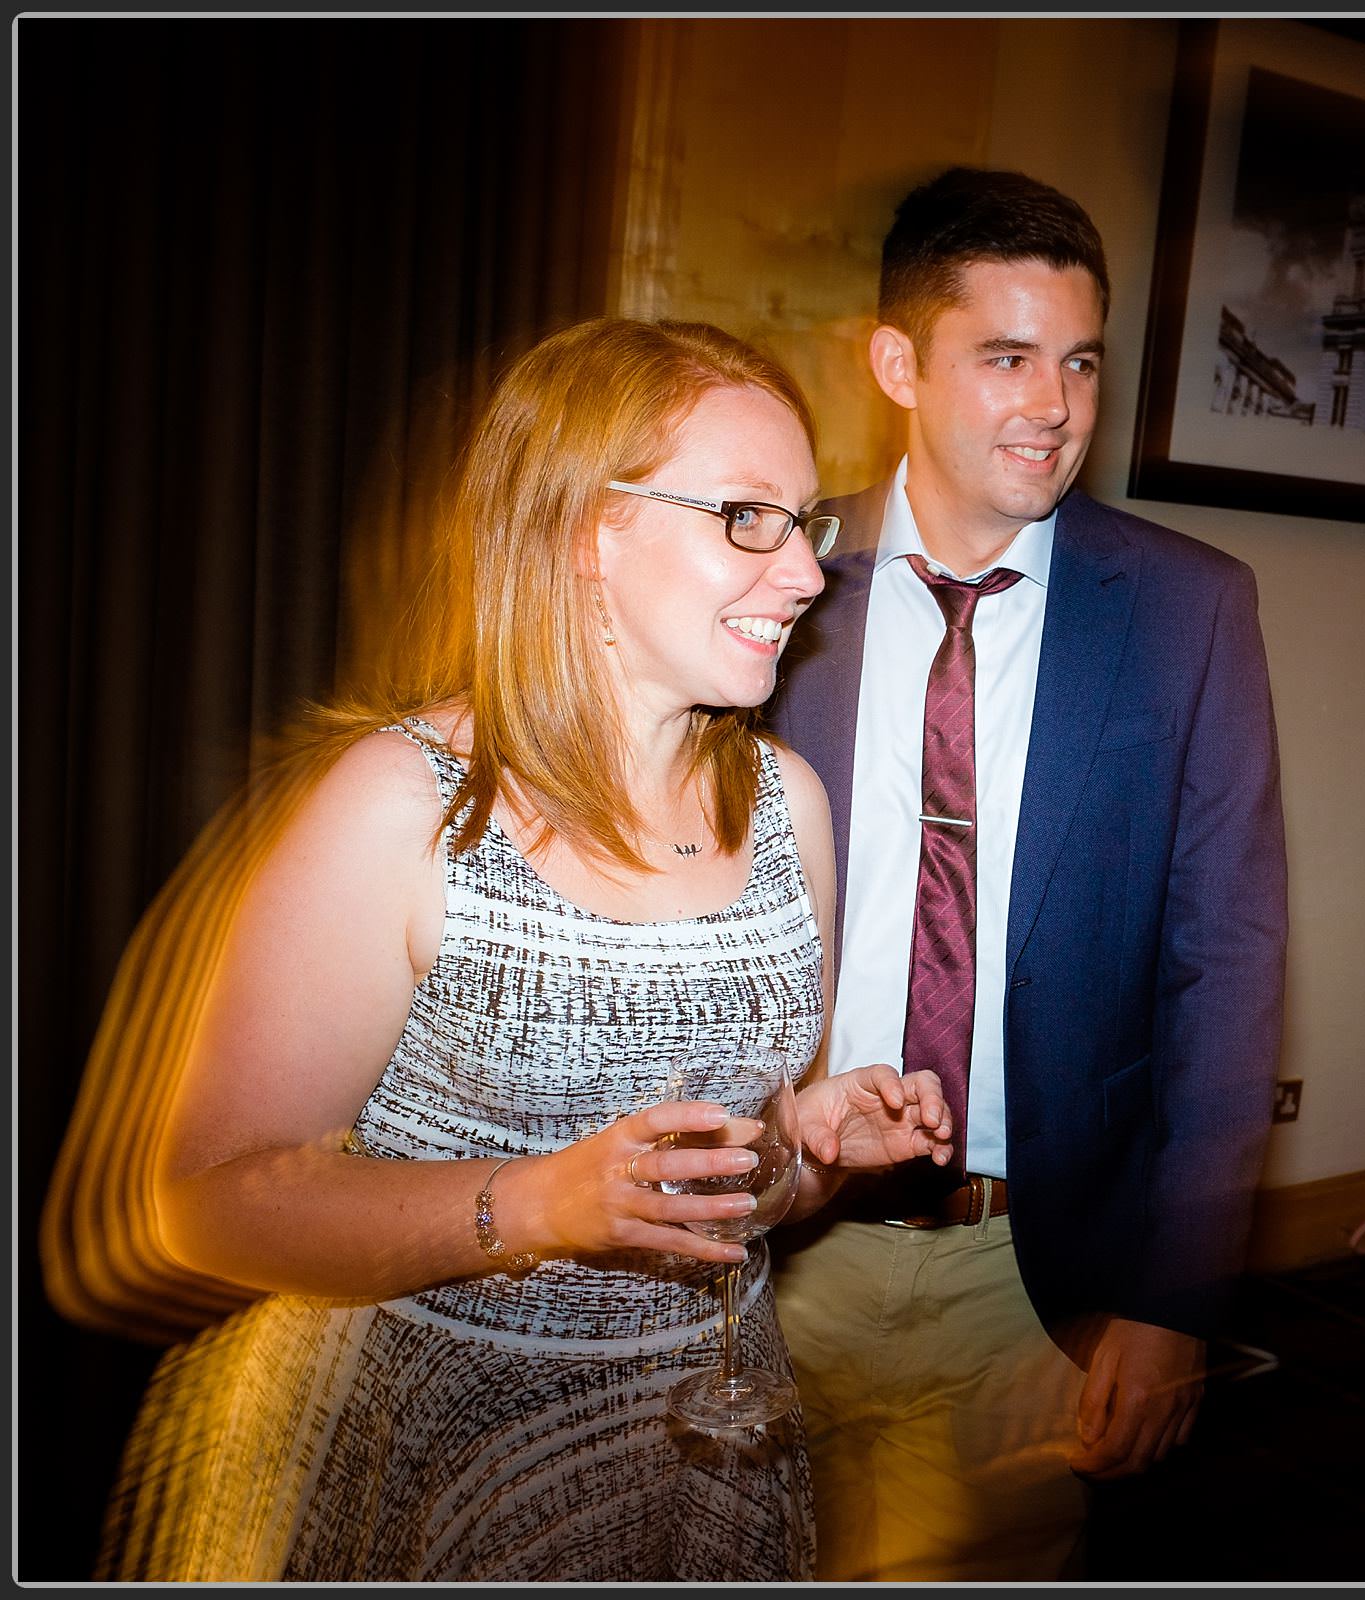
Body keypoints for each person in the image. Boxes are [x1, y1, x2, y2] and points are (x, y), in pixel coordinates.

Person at [92, 316, 954, 1581]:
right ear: (584, 529)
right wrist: (540, 1203)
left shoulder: (789, 808)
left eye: (804, 522)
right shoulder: (408, 804)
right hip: (444, 1450)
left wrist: (813, 1150)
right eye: (747, 517)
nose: (809, 575)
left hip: (710, 1454)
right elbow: (210, 1198)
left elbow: (726, 1200)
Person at [766, 166, 1289, 1582]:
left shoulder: (1187, 609)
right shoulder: (772, 585)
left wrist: (1172, 1300)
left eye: (1077, 361)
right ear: (898, 363)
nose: (1052, 406)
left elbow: (1228, 968)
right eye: (1004, 358)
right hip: (772, 1251)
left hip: (1026, 1270)